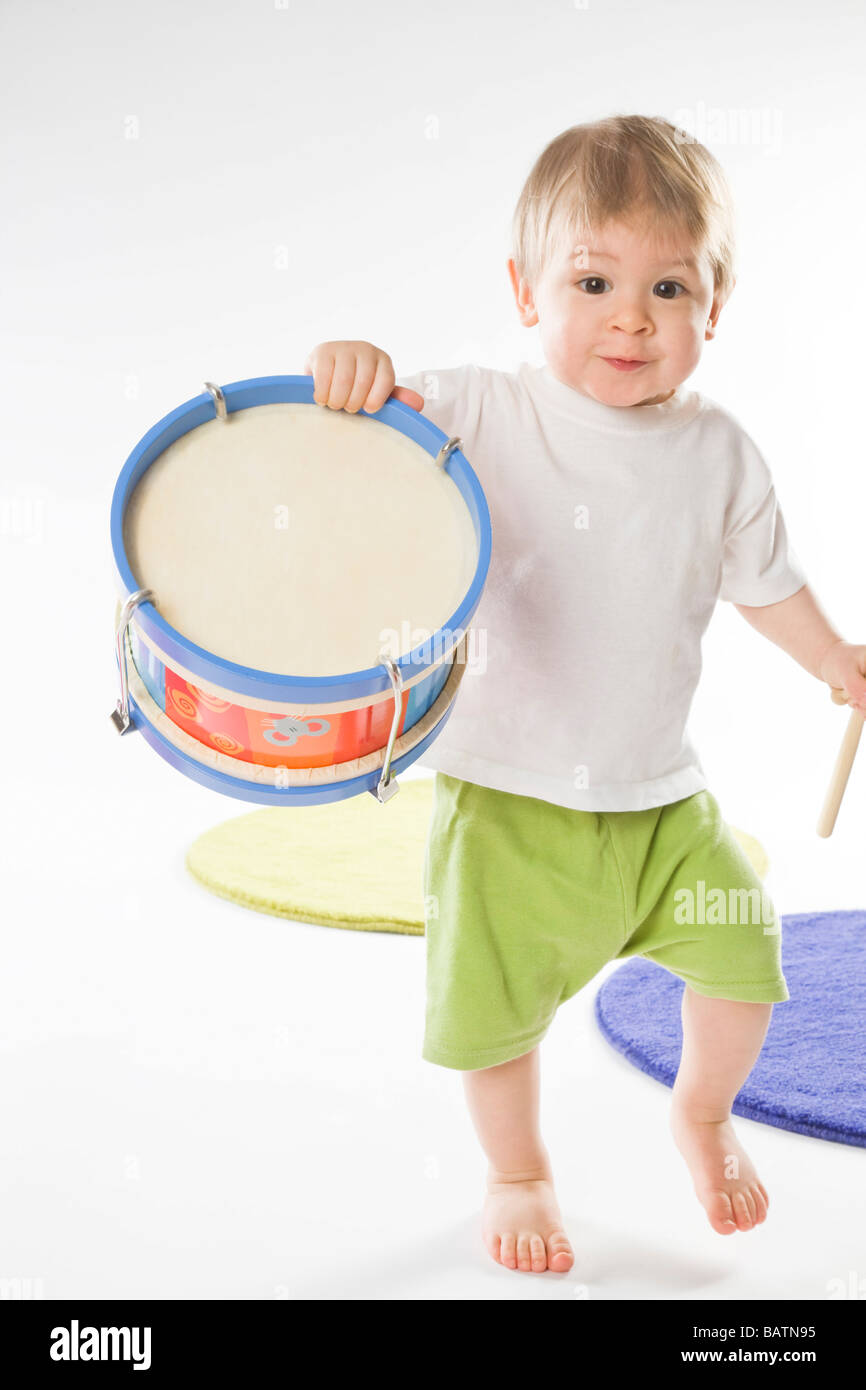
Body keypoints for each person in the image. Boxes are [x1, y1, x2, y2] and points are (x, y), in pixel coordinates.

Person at [304, 114, 866, 1275]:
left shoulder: (720, 453)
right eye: (593, 280)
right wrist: (353, 368)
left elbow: (766, 584)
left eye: (668, 286)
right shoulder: (480, 412)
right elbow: (366, 440)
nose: (630, 316)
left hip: (660, 806)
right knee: (491, 1018)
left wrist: (831, 659)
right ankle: (517, 1171)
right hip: (508, 803)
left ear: (713, 307)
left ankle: (700, 1112)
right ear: (524, 291)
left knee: (744, 956)